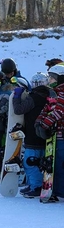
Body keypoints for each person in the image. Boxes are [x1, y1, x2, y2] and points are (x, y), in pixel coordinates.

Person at [12, 72, 51, 198]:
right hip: (46, 135)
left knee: (29, 162)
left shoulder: (33, 97)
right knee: (41, 163)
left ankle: (36, 186)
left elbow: (19, 110)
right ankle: (36, 184)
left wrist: (16, 97)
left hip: (33, 136)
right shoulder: (51, 96)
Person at [36, 64, 64, 199]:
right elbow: (46, 109)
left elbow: (59, 112)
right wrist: (39, 122)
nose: (50, 81)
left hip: (61, 135)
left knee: (59, 164)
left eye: (52, 78)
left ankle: (60, 190)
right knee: (51, 165)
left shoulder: (63, 93)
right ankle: (53, 189)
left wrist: (45, 124)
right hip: (53, 136)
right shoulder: (53, 94)